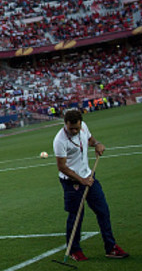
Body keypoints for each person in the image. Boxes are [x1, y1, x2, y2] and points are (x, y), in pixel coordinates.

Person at [53, 109, 128, 261]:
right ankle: (74, 250)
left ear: (81, 124)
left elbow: (90, 139)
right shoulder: (60, 140)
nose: (74, 130)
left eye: (77, 128)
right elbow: (62, 167)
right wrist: (81, 180)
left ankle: (111, 247)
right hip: (71, 182)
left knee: (103, 211)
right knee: (76, 216)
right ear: (65, 124)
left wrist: (97, 144)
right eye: (71, 128)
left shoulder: (84, 127)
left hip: (89, 176)